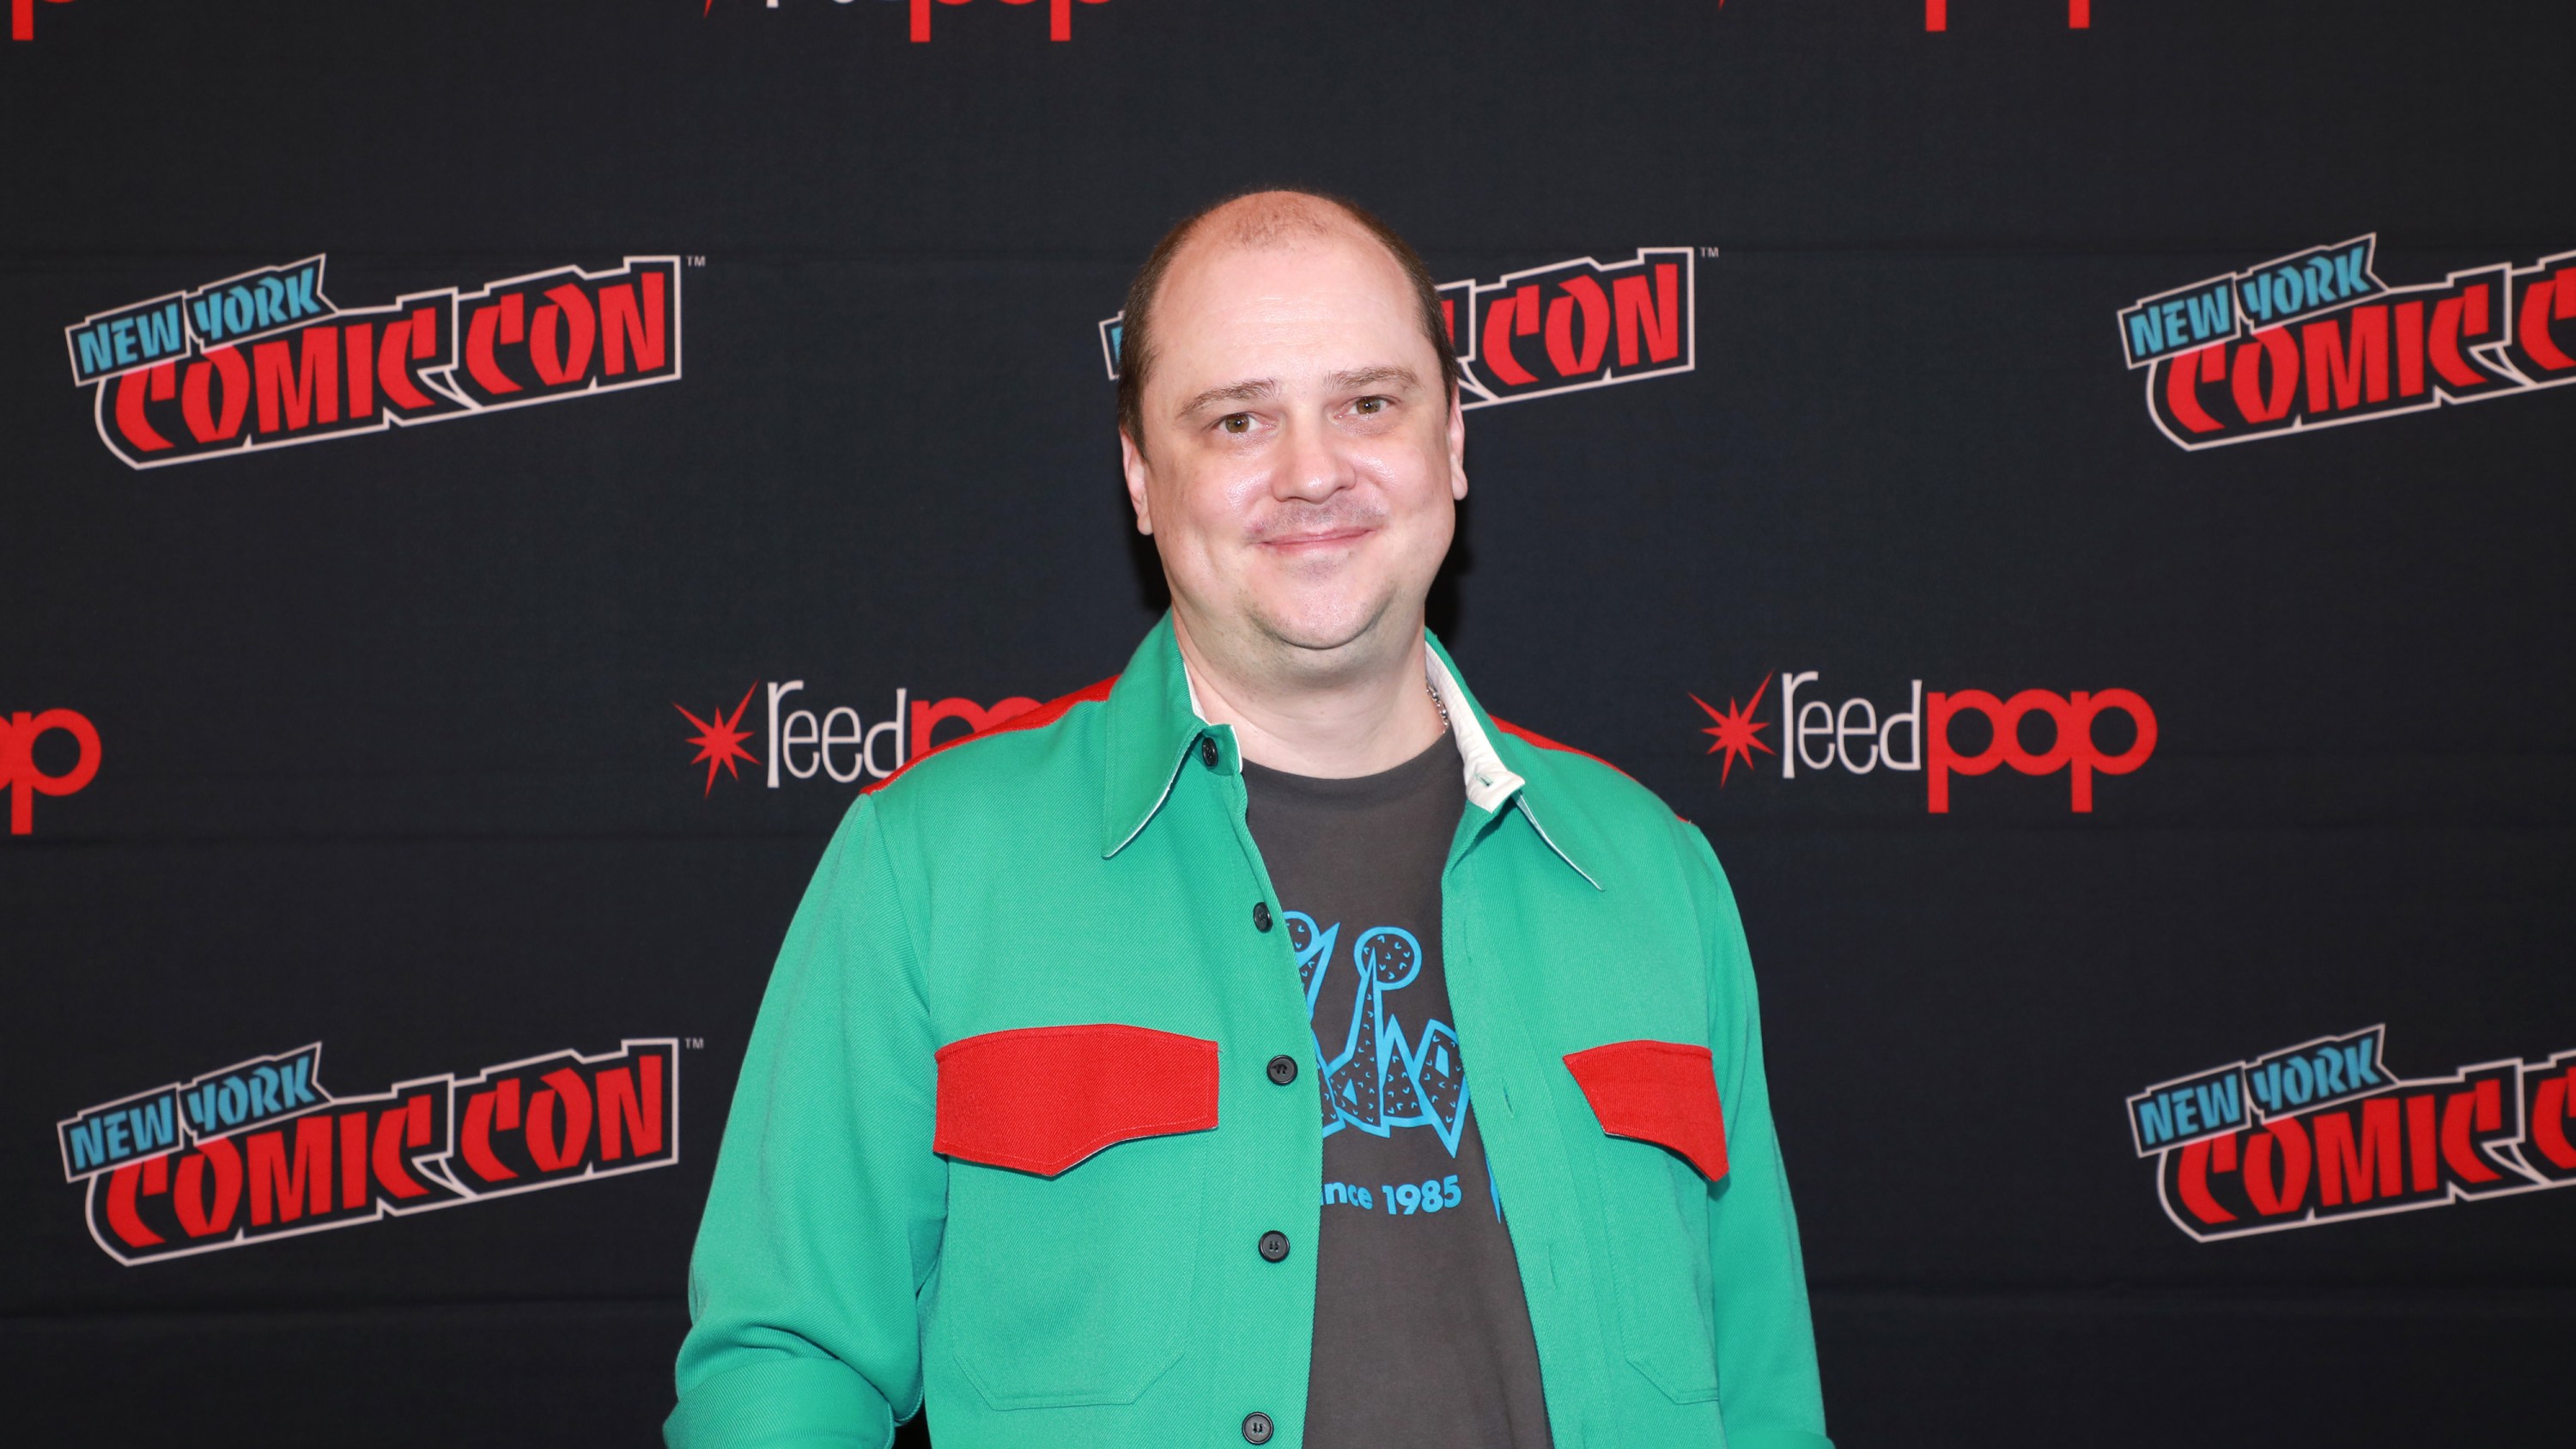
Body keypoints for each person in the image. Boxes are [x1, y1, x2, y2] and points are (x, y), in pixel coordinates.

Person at [667, 189, 1832, 1449]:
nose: (1312, 471)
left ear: (1452, 443)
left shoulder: (1657, 876)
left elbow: (1764, 1398)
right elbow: (788, 1368)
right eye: (1237, 420)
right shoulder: (928, 867)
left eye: (1368, 404)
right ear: (1142, 480)